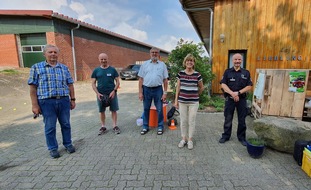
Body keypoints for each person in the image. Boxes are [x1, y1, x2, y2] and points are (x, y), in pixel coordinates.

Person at [28, 44, 76, 159]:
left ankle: (68, 144)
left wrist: (72, 99)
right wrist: (35, 105)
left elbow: (70, 85)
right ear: (44, 54)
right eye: (50, 52)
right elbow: (32, 88)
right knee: (50, 127)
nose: (53, 54)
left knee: (66, 124)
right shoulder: (37, 67)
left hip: (63, 100)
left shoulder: (64, 68)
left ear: (58, 54)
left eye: (55, 52)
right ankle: (53, 148)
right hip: (46, 102)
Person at [219, 53, 253, 146]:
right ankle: (225, 136)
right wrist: (232, 94)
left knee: (242, 119)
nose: (237, 61)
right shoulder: (227, 72)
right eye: (235, 59)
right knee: (228, 118)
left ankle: (242, 138)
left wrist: (238, 93)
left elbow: (249, 86)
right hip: (230, 99)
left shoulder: (246, 72)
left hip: (241, 100)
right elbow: (223, 84)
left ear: (241, 61)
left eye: (239, 59)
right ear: (232, 60)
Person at [174, 54, 204, 150]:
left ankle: (190, 140)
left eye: (191, 61)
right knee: (183, 121)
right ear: (185, 62)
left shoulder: (197, 74)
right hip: (182, 101)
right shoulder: (180, 74)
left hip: (193, 102)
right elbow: (178, 87)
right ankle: (183, 139)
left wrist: (196, 94)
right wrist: (176, 101)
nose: (189, 62)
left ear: (193, 63)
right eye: (188, 60)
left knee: (191, 121)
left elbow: (201, 87)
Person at [138, 47, 169, 135]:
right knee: (146, 108)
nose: (154, 54)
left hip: (158, 90)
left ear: (158, 54)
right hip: (146, 89)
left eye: (156, 52)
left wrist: (165, 93)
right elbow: (140, 79)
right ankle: (145, 126)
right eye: (153, 52)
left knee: (159, 109)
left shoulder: (162, 65)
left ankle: (160, 127)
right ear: (150, 53)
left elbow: (165, 80)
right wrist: (140, 92)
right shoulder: (145, 64)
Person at [91, 53, 120, 135]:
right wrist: (97, 93)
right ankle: (103, 126)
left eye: (105, 59)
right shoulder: (96, 71)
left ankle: (115, 126)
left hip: (112, 93)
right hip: (101, 94)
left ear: (107, 59)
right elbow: (93, 83)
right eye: (102, 59)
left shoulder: (112, 70)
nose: (103, 60)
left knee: (114, 110)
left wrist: (114, 90)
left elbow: (118, 81)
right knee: (101, 111)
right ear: (99, 60)